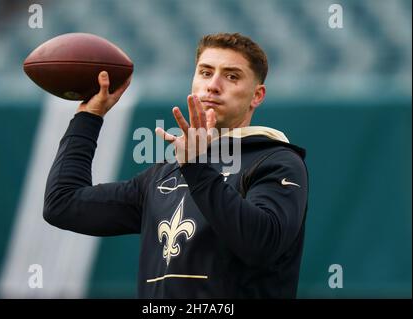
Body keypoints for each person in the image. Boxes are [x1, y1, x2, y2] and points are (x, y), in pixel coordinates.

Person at [43, 33, 309, 298]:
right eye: (205, 73)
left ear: (257, 95)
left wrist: (196, 167)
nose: (213, 85)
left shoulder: (277, 161)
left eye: (231, 76)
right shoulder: (164, 174)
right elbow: (63, 203)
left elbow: (261, 244)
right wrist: (89, 116)